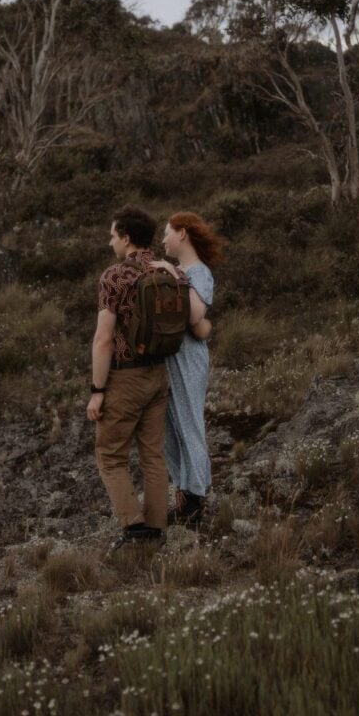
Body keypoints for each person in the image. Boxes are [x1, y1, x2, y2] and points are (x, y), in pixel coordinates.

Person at [86, 205, 209, 549]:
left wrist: (98, 390)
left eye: (112, 236)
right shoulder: (171, 271)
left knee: (110, 455)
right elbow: (195, 319)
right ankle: (157, 530)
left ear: (126, 238)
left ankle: (134, 527)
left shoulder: (115, 276)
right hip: (160, 375)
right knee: (153, 455)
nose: (110, 242)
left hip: (126, 377)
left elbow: (103, 339)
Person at [152, 212, 225, 526]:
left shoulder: (198, 272)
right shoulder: (181, 271)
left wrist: (172, 274)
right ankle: (183, 493)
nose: (163, 239)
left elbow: (195, 315)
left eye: (167, 232)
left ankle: (195, 497)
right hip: (167, 359)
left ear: (182, 233)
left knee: (189, 422)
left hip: (188, 359)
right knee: (169, 428)